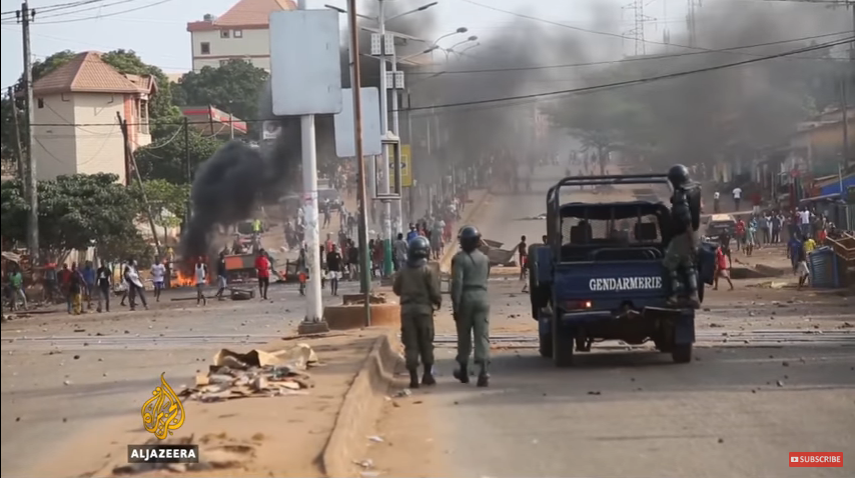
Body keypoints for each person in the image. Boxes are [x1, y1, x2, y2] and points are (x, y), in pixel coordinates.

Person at [393, 235, 442, 388]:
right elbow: (434, 291)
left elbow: (396, 289)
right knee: (426, 342)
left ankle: (413, 378)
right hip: (424, 311)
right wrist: (437, 301)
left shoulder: (403, 271)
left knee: (411, 344)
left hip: (407, 312)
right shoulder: (428, 270)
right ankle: (427, 375)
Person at [451, 225, 492, 387]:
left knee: (464, 335)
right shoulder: (485, 258)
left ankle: (463, 370)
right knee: (482, 335)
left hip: (466, 298)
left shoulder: (459, 259)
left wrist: (455, 306)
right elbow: (486, 277)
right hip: (482, 297)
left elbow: (457, 283)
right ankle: (484, 371)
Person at [663, 164, 702, 309]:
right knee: (688, 264)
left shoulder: (680, 194)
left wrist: (689, 237)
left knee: (670, 263)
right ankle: (693, 295)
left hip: (682, 234)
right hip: (691, 233)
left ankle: (675, 295)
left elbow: (685, 218)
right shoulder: (694, 190)